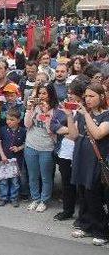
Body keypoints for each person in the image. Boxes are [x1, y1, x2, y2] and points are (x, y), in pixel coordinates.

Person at [66, 82, 109, 246]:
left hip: (97, 161)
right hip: (81, 157)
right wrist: (70, 116)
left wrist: (85, 115)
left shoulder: (106, 115)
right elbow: (73, 135)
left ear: (102, 97)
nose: (88, 99)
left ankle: (102, 231)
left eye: (92, 96)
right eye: (86, 96)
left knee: (95, 195)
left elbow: (98, 134)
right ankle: (85, 225)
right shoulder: (83, 113)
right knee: (82, 193)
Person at [49, 78, 86, 221]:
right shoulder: (64, 106)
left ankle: (83, 215)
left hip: (80, 152)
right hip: (64, 151)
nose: (69, 96)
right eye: (68, 93)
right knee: (66, 183)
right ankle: (67, 210)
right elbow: (53, 124)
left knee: (82, 185)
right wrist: (67, 130)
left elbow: (76, 134)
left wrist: (70, 131)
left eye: (73, 93)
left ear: (81, 95)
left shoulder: (85, 110)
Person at [24, 84, 58, 212]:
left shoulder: (56, 109)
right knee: (33, 176)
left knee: (45, 176)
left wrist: (46, 113)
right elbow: (27, 124)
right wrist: (29, 109)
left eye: (44, 93)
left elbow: (52, 131)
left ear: (50, 94)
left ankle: (44, 200)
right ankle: (35, 198)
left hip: (47, 148)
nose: (41, 96)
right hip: (31, 145)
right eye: (39, 93)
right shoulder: (35, 107)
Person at [0, 108, 26, 207]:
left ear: (18, 120)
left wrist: (19, 148)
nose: (9, 121)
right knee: (3, 180)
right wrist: (2, 155)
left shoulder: (22, 131)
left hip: (16, 160)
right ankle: (3, 197)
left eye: (12, 119)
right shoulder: (3, 130)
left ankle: (14, 198)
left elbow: (26, 143)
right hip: (4, 159)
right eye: (7, 119)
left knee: (15, 181)